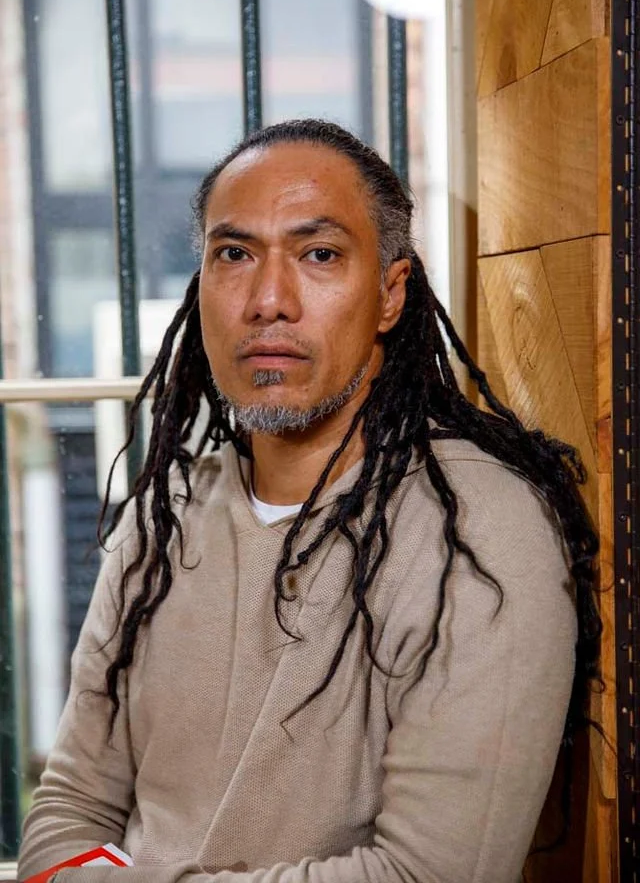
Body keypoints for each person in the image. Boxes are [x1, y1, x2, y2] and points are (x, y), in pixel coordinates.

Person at [18, 120, 600, 883]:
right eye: (234, 255)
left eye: (319, 254)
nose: (268, 299)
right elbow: (65, 815)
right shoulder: (164, 517)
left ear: (392, 294)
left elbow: (429, 874)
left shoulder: (479, 533)